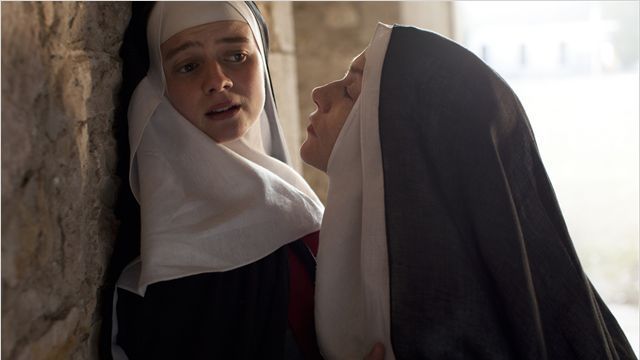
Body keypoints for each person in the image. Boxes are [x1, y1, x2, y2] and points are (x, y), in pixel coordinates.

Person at [301, 23, 636, 359]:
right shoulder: (396, 256)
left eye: (350, 91)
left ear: (409, 138)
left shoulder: (448, 325)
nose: (319, 93)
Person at [100, 2, 326, 359]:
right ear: (156, 90)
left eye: (236, 55)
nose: (217, 80)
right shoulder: (155, 277)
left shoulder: (299, 205)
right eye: (188, 66)